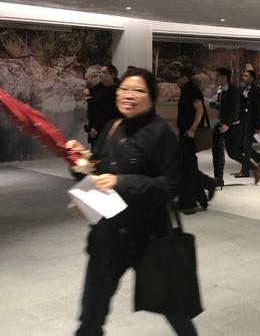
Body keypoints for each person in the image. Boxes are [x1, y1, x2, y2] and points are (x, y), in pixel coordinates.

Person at [67, 68, 198, 336]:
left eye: (138, 90)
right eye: (124, 89)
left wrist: (121, 182)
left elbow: (169, 187)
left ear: (151, 97)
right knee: (91, 316)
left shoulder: (162, 134)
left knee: (174, 309)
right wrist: (79, 161)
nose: (128, 95)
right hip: (109, 237)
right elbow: (95, 171)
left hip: (149, 237)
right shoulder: (111, 126)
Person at [176, 66, 217, 214]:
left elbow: (199, 110)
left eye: (178, 77)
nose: (177, 80)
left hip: (190, 134)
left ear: (185, 76)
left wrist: (192, 128)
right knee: (188, 166)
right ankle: (205, 187)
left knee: (187, 165)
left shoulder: (192, 90)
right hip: (185, 133)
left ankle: (195, 196)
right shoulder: (186, 90)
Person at [210, 67, 260, 186]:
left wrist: (227, 125)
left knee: (233, 153)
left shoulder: (233, 91)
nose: (215, 78)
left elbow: (235, 111)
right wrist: (216, 106)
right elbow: (225, 108)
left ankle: (254, 168)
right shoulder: (221, 90)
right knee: (216, 152)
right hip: (222, 125)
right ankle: (218, 180)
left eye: (217, 76)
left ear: (224, 77)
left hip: (233, 126)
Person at [235, 70, 260, 178]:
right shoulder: (243, 90)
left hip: (251, 124)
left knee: (246, 147)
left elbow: (259, 110)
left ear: (252, 78)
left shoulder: (257, 91)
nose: (243, 77)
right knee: (243, 147)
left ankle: (245, 171)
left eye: (246, 76)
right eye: (243, 75)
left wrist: (258, 125)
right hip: (242, 123)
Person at [84, 64, 119, 145]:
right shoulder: (99, 86)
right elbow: (90, 93)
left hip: (105, 129)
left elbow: (109, 113)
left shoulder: (116, 91)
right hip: (93, 127)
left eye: (104, 72)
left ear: (112, 75)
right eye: (100, 72)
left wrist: (97, 127)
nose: (100, 75)